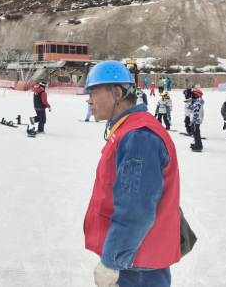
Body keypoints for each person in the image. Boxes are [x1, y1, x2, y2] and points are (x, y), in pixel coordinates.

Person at [84, 60, 180, 287]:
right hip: (132, 258)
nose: (89, 100)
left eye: (94, 92)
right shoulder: (128, 129)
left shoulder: (138, 136)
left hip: (137, 266)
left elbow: (136, 210)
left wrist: (111, 262)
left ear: (117, 93)